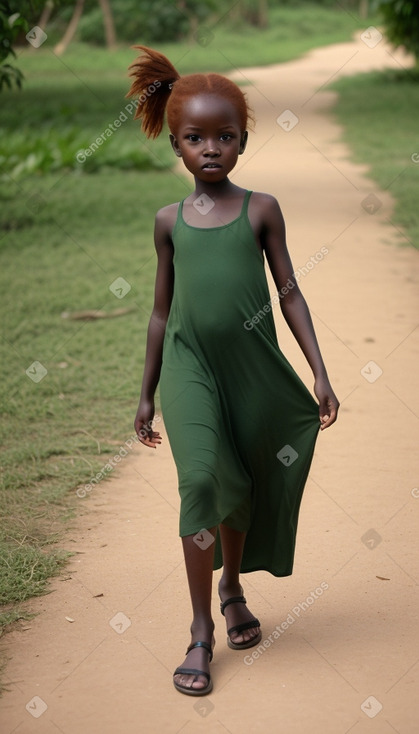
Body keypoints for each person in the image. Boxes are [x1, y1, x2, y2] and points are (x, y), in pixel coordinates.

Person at [128, 46, 339, 697]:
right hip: (189, 370)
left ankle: (231, 586)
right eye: (195, 138)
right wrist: (144, 393)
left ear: (243, 141)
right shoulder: (168, 223)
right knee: (199, 480)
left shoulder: (261, 210)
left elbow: (290, 294)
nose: (210, 148)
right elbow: (161, 314)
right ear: (176, 144)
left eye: (224, 136)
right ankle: (199, 632)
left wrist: (320, 373)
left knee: (242, 482)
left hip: (253, 369)